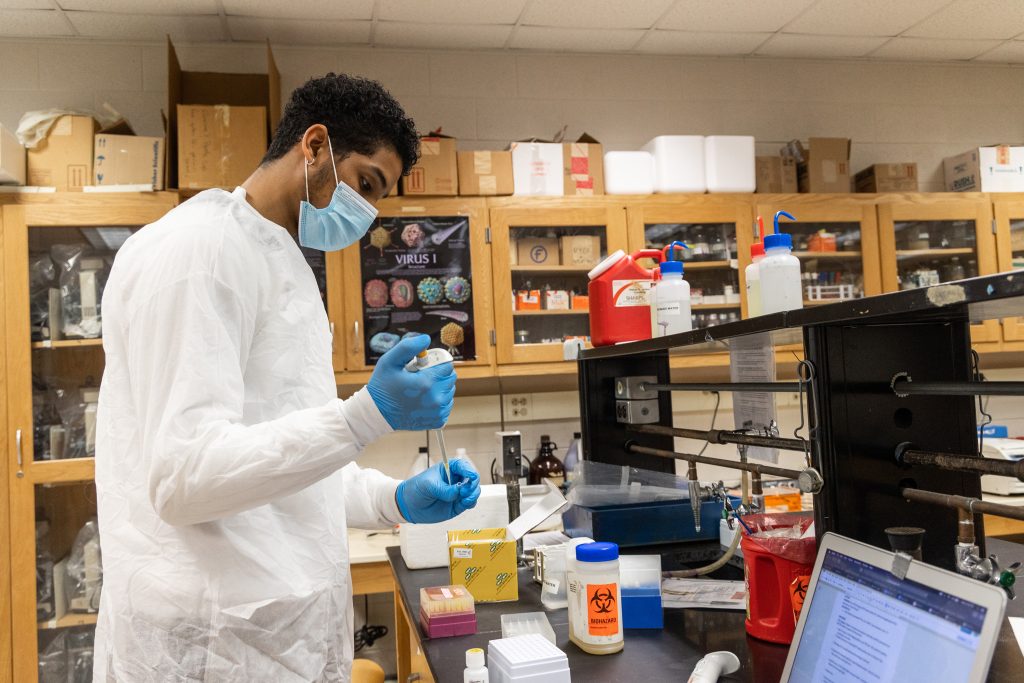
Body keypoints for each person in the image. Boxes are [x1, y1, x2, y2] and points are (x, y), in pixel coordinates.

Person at [93, 74, 481, 682]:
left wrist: (390, 499)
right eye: (365, 183)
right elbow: (184, 475)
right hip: (207, 643)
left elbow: (284, 462)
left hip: (269, 634)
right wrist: (367, 414)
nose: (367, 212)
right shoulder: (200, 253)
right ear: (315, 145)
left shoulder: (281, 262)